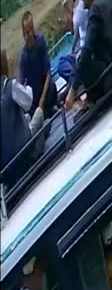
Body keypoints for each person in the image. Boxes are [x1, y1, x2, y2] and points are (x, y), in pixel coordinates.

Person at [1, 49, 33, 186]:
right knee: (38, 115)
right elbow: (29, 102)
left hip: (5, 171)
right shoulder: (11, 86)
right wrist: (28, 88)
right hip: (23, 154)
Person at [18, 12, 56, 121]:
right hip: (33, 97)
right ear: (23, 34)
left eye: (31, 30)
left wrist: (42, 101)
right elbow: (21, 84)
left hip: (45, 91)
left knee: (52, 87)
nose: (29, 34)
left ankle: (48, 110)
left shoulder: (40, 40)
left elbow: (48, 73)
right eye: (26, 32)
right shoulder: (23, 57)